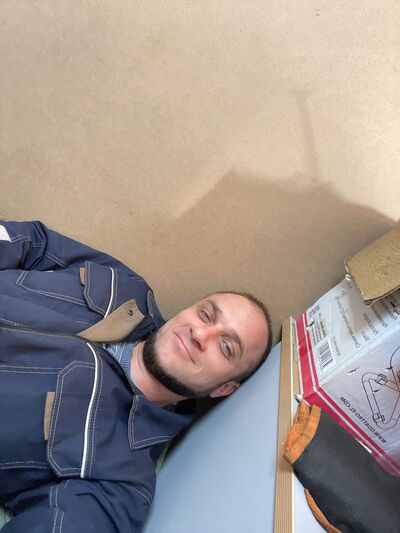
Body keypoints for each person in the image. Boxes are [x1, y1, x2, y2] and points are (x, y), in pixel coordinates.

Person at [0, 220, 272, 532]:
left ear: (223, 389)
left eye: (225, 347)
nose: (200, 334)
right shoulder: (127, 287)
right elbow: (37, 243)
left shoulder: (120, 481)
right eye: (205, 314)